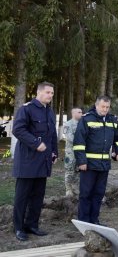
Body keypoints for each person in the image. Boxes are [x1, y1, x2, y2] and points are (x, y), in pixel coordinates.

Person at [12, 82, 58, 241]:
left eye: (52, 93)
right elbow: (18, 129)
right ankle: (18, 228)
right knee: (22, 196)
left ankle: (32, 225)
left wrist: (54, 152)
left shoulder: (50, 112)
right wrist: (35, 143)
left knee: (38, 196)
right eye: (47, 92)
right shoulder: (27, 109)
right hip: (27, 160)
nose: (50, 95)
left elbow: (52, 135)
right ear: (38, 92)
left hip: (43, 160)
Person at [73, 95, 118, 225]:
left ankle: (94, 220)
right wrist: (81, 161)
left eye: (107, 107)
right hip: (88, 165)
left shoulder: (112, 120)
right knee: (86, 194)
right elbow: (79, 142)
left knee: (99, 194)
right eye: (103, 106)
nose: (105, 109)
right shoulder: (87, 119)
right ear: (96, 105)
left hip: (104, 165)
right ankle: (84, 222)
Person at [63, 107, 83, 198]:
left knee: (78, 171)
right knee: (69, 171)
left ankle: (76, 189)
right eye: (79, 112)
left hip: (80, 152)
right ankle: (68, 189)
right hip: (71, 153)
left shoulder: (82, 124)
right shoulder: (68, 124)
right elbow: (69, 137)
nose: (81, 113)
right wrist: (81, 141)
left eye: (81, 112)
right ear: (73, 113)